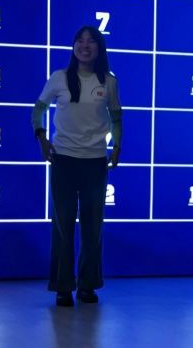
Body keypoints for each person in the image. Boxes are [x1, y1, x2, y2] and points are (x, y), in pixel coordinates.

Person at [31, 25, 122, 307]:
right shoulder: (59, 77)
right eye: (80, 41)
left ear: (99, 48)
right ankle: (62, 287)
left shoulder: (109, 82)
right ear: (73, 47)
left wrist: (117, 146)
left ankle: (87, 286)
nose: (85, 46)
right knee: (63, 226)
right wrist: (41, 137)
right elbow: (38, 109)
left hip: (95, 163)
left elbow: (116, 118)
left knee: (93, 228)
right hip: (64, 161)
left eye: (91, 41)